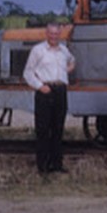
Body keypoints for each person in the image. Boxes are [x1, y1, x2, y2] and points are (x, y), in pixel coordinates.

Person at [22, 23, 76, 174]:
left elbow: (72, 60)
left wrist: (67, 70)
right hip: (45, 92)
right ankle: (43, 167)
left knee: (58, 129)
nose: (54, 36)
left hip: (61, 91)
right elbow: (27, 73)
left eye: (56, 34)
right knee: (43, 130)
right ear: (46, 34)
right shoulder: (38, 50)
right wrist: (40, 86)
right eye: (51, 34)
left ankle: (56, 165)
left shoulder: (64, 50)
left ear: (60, 34)